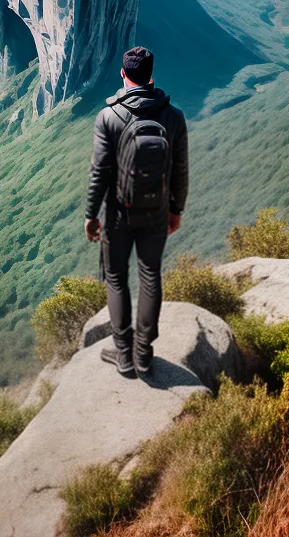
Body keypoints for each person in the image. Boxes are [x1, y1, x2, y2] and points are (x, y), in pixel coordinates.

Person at [84, 46, 188, 378]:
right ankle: (143, 355)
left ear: (123, 74)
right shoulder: (174, 116)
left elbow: (99, 173)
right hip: (157, 210)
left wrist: (91, 214)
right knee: (150, 275)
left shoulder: (108, 117)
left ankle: (123, 355)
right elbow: (180, 169)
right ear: (151, 75)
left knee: (116, 277)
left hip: (118, 213)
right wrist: (176, 209)